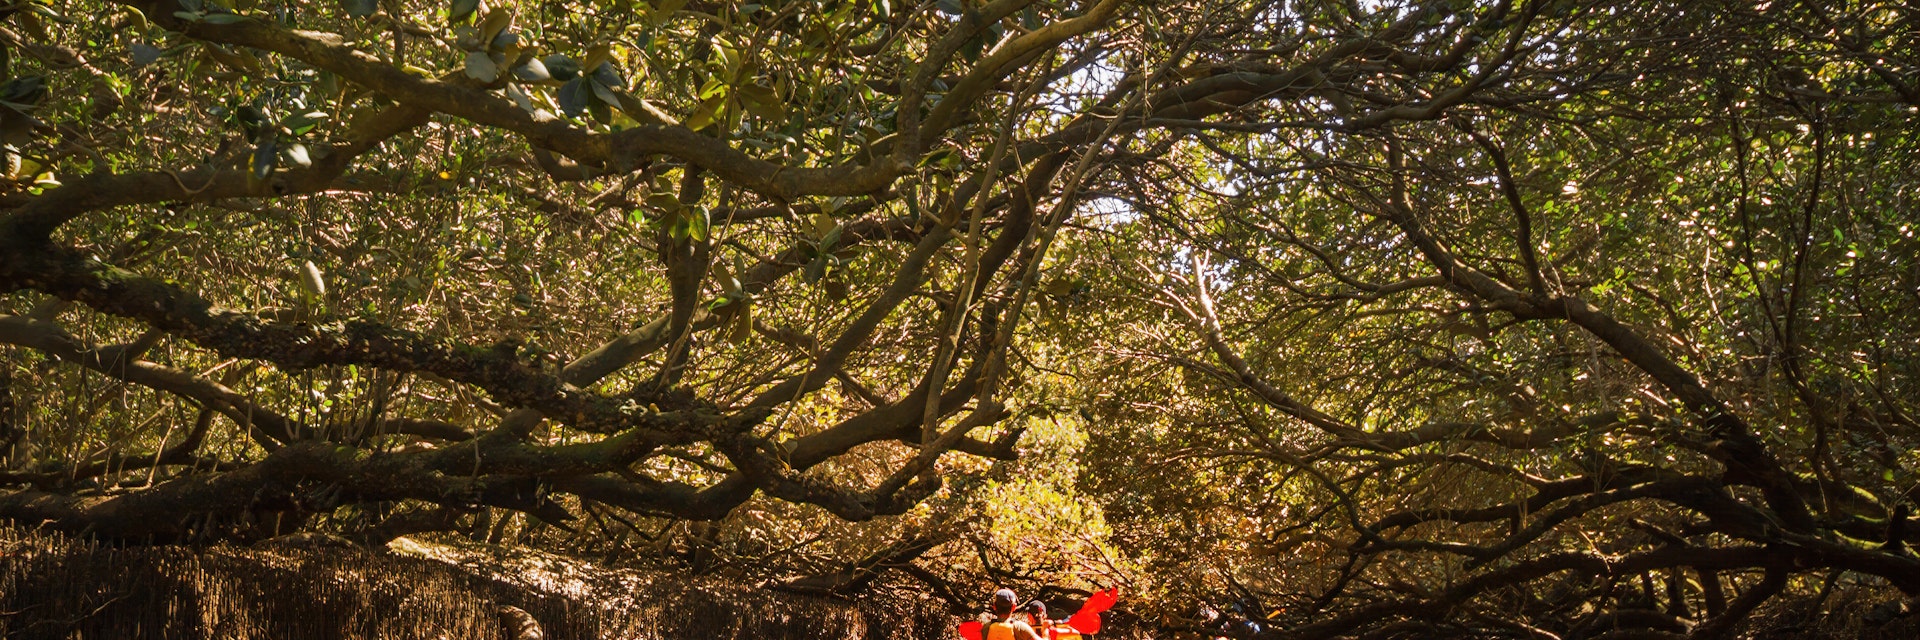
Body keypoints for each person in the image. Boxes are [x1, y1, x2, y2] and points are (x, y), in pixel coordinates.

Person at [976, 589, 1044, 640]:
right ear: (1014, 607)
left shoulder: (986, 628)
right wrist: (1045, 631)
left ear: (994, 606)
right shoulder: (1020, 628)